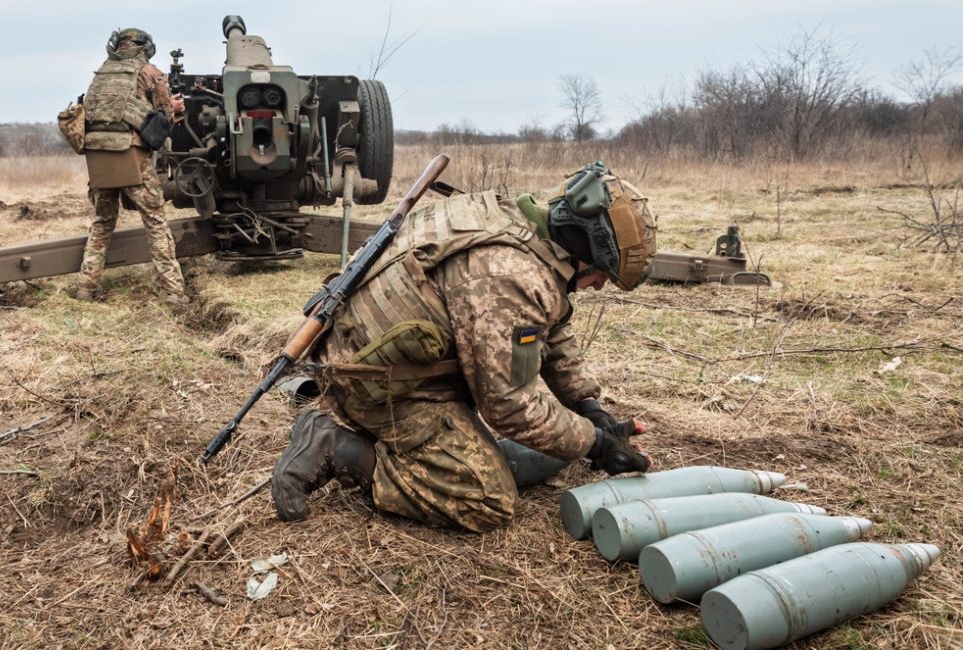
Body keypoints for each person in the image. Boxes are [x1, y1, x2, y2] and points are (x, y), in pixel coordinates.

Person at [272, 162, 658, 532]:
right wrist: (594, 443)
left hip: (367, 354)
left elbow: (550, 325)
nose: (598, 286)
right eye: (600, 275)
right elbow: (507, 406)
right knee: (488, 499)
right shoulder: (511, 276)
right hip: (376, 387)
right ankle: (339, 448)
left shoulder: (512, 221)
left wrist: (587, 405)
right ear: (586, 251)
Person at [74, 28, 186, 305]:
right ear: (145, 47)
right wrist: (175, 109)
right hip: (132, 156)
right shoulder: (150, 72)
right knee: (156, 224)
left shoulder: (101, 73)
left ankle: (85, 289)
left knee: (101, 224)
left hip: (99, 157)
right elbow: (164, 121)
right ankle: (175, 294)